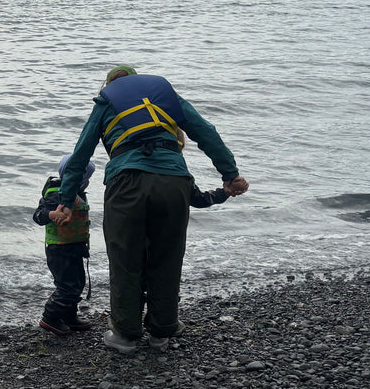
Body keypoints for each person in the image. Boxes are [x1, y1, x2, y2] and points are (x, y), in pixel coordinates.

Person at [49, 64, 248, 354]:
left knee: (125, 258)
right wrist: (230, 175)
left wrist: (66, 201)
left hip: (127, 182)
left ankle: (126, 335)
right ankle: (162, 330)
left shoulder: (107, 101)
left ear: (109, 85)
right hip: (174, 181)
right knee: (167, 256)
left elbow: (81, 153)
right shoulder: (164, 97)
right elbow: (206, 132)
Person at [32, 155, 98, 336]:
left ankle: (69, 315)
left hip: (75, 246)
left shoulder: (76, 194)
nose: (88, 183)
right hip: (59, 249)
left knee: (78, 282)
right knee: (67, 286)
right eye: (87, 179)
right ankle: (50, 317)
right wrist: (52, 214)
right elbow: (38, 215)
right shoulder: (57, 193)